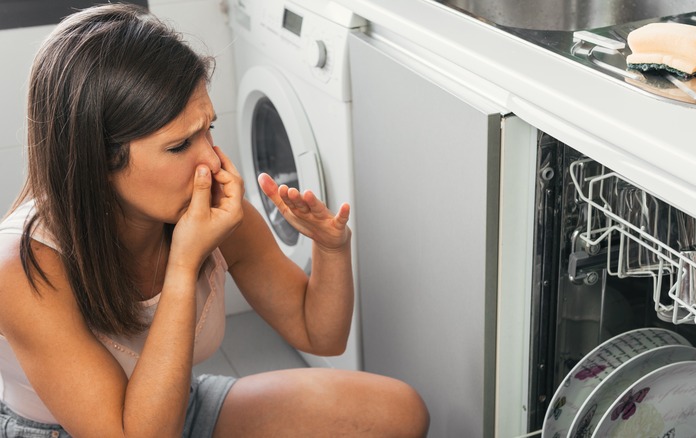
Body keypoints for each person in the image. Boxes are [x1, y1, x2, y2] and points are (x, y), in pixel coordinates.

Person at [0, 4, 429, 437]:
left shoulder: (210, 213)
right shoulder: (22, 265)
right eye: (180, 145)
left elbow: (320, 335)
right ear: (97, 159)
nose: (211, 159)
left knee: (398, 411)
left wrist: (331, 249)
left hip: (174, 408)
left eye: (208, 129)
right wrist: (184, 267)